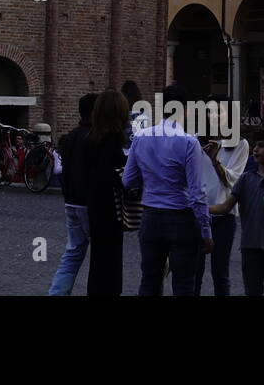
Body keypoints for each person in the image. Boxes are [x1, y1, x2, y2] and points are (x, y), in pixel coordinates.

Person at [122, 83, 211, 296]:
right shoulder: (189, 142)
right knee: (183, 283)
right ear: (186, 110)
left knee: (150, 279)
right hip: (181, 217)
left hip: (150, 216)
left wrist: (151, 180)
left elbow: (128, 180)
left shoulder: (141, 137)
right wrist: (206, 230)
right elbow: (198, 192)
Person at [215, 128, 264, 296]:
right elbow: (225, 207)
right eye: (255, 145)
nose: (255, 149)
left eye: (262, 146)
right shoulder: (246, 178)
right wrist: (199, 208)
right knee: (252, 291)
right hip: (250, 248)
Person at [194, 111, 249, 296]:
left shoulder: (239, 144)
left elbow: (232, 181)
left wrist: (214, 160)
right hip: (198, 213)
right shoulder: (195, 141)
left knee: (220, 272)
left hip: (223, 216)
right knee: (194, 272)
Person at [48, 93, 97, 295]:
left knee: (73, 252)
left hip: (71, 202)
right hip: (90, 203)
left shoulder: (70, 138)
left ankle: (57, 292)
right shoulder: (95, 137)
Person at [85, 89, 131, 296]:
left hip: (94, 202)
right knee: (111, 259)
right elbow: (110, 173)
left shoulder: (92, 137)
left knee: (98, 258)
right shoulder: (113, 139)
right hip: (111, 205)